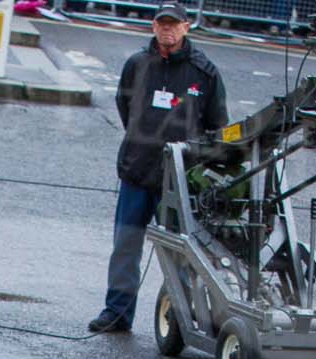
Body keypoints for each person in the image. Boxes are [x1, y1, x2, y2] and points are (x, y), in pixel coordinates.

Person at [90, 4, 225, 334]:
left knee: (181, 254)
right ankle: (118, 313)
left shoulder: (204, 72)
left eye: (174, 24)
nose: (167, 30)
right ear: (153, 26)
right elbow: (125, 108)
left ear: (186, 27)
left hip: (178, 181)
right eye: (162, 24)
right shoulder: (137, 64)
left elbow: (217, 126)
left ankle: (179, 320)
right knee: (126, 245)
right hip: (137, 171)